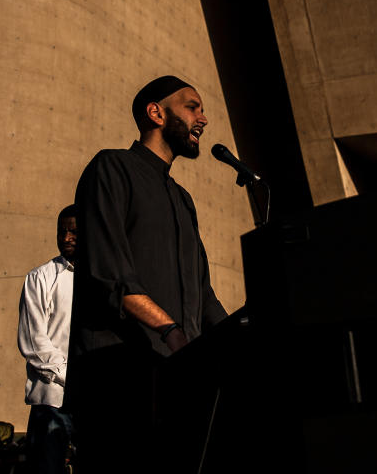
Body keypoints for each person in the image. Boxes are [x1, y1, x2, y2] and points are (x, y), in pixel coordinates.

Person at [65, 75, 228, 468]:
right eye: (192, 106)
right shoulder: (111, 168)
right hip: (118, 378)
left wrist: (234, 343)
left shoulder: (182, 199)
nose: (202, 118)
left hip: (178, 380)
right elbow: (110, 274)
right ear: (156, 112)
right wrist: (170, 331)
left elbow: (202, 294)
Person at [17, 204, 80, 474]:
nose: (65, 238)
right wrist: (75, 378)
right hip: (52, 402)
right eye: (61, 231)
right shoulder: (40, 278)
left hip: (92, 401)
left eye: (74, 232)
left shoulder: (103, 279)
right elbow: (34, 344)